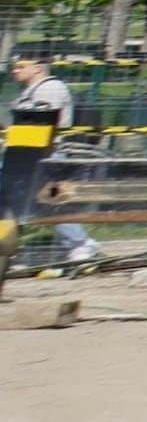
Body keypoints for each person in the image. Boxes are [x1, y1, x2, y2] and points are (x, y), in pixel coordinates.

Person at [5, 59, 98, 278]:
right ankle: (9, 250)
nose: (15, 71)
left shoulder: (51, 88)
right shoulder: (29, 90)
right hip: (24, 154)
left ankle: (81, 243)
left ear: (37, 68)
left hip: (45, 155)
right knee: (15, 201)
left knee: (45, 201)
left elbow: (42, 124)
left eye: (20, 67)